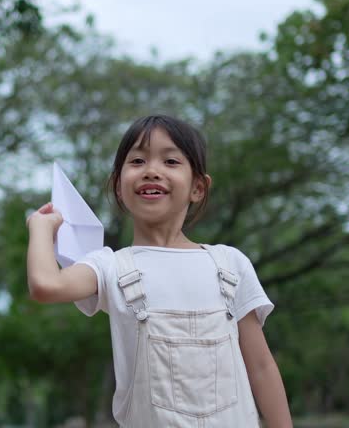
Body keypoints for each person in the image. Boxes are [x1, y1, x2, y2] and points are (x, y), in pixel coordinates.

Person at [26, 114, 293, 427]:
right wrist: (41, 229)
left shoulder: (229, 264)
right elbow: (46, 285)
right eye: (137, 160)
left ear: (198, 187)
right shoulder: (110, 266)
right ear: (118, 186)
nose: (152, 171)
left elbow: (260, 366)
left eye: (170, 161)